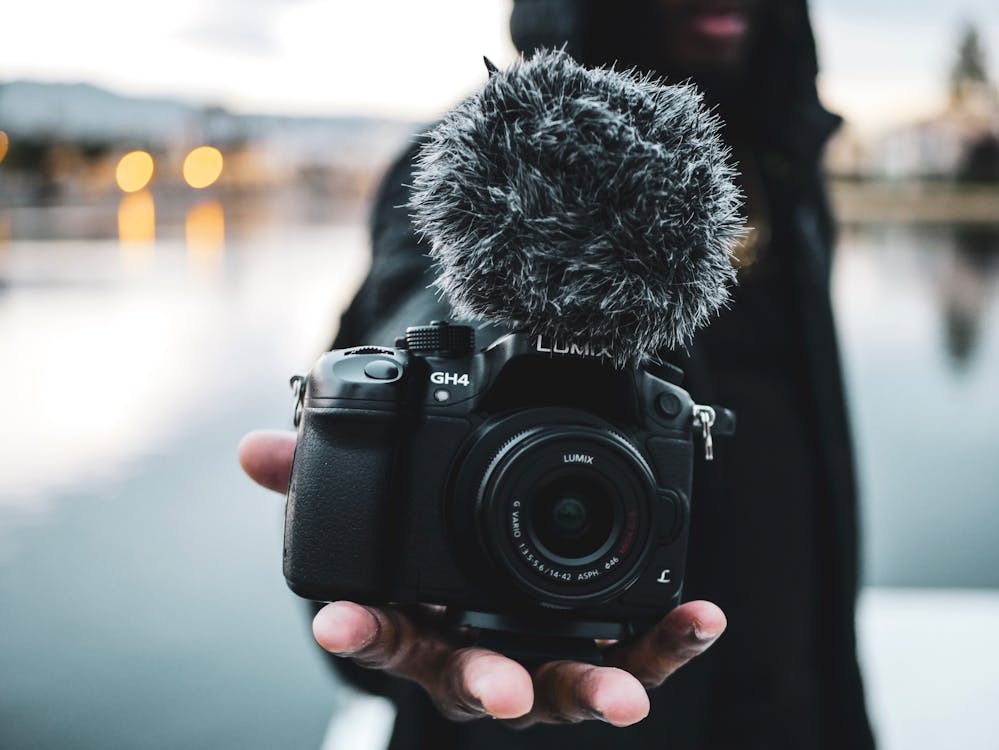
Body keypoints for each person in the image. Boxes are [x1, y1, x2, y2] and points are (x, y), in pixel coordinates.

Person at [239, 0, 876, 747]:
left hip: (793, 702)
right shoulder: (485, 158)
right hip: (547, 714)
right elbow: (418, 317)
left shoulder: (784, 171)